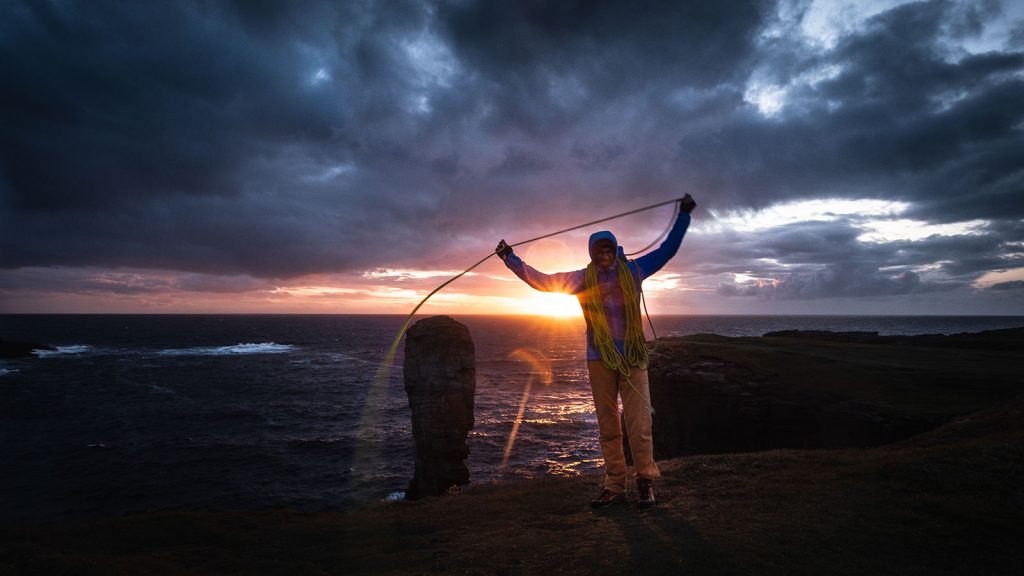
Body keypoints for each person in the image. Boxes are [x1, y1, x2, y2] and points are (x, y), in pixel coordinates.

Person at [495, 194, 696, 509]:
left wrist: (684, 214)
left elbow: (667, 250)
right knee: (607, 426)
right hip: (599, 359)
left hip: (632, 357)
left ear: (615, 250)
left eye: (607, 249)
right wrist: (510, 259)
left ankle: (645, 482)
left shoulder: (634, 271)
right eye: (597, 250)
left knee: (639, 423)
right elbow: (543, 282)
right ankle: (615, 487)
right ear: (591, 254)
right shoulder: (581, 279)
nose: (603, 254)